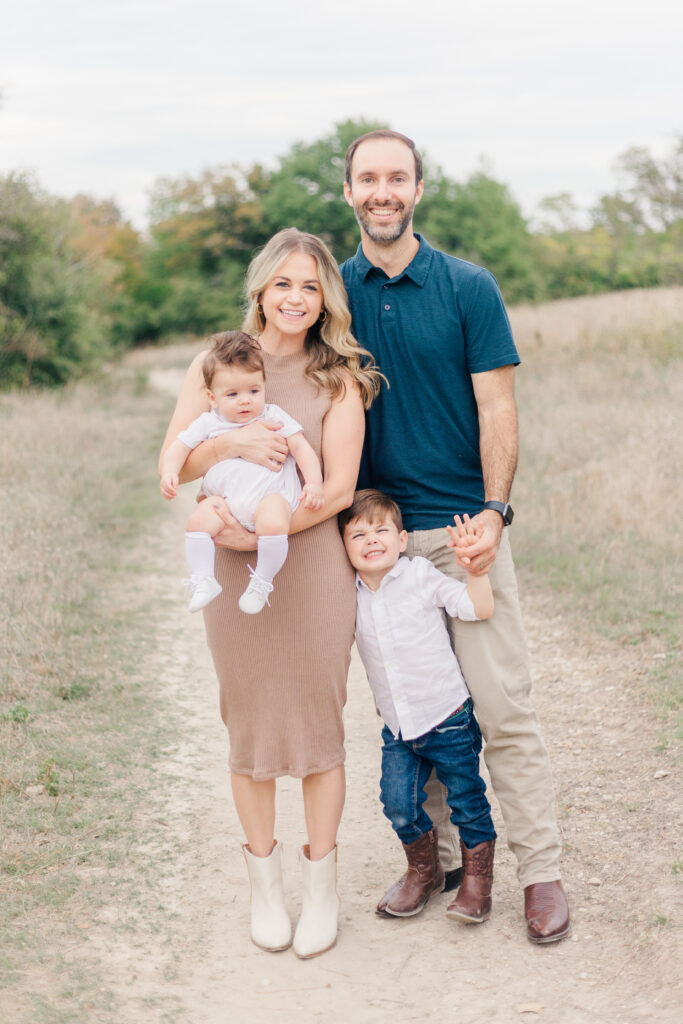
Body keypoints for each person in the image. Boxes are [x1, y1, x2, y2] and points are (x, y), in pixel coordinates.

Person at [339, 129, 570, 944]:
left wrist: (494, 514)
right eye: (367, 178)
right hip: (376, 545)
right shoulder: (334, 295)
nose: (382, 191)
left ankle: (539, 872)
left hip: (465, 531)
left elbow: (496, 409)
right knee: (415, 714)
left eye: (395, 177)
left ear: (417, 189)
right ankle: (429, 861)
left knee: (502, 710)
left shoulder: (469, 286)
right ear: (348, 193)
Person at [158, 228, 382, 958]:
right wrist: (229, 449)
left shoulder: (339, 376)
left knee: (319, 728)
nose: (295, 297)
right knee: (247, 720)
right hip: (230, 573)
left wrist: (260, 538)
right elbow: (180, 461)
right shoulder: (215, 363)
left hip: (309, 565)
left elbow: (341, 487)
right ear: (260, 288)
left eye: (311, 286)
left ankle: (320, 886)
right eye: (283, 283)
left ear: (326, 299)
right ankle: (264, 886)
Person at [340, 489, 498, 925]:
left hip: (446, 716)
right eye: (358, 534)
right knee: (398, 803)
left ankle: (477, 881)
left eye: (381, 530)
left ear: (402, 539)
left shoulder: (420, 576)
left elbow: (477, 608)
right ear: (345, 547)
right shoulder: (348, 595)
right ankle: (424, 873)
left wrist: (476, 571)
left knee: (466, 800)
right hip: (399, 727)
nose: (371, 539)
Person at [159, 331, 324, 614]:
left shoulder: (273, 415)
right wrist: (169, 473)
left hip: (269, 498)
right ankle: (204, 579)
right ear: (212, 397)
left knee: (273, 522)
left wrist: (314, 484)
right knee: (198, 521)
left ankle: (262, 580)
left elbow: (301, 448)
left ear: (263, 386)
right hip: (227, 504)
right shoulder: (208, 422)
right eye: (232, 394)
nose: (245, 401)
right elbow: (178, 447)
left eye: (253, 391)